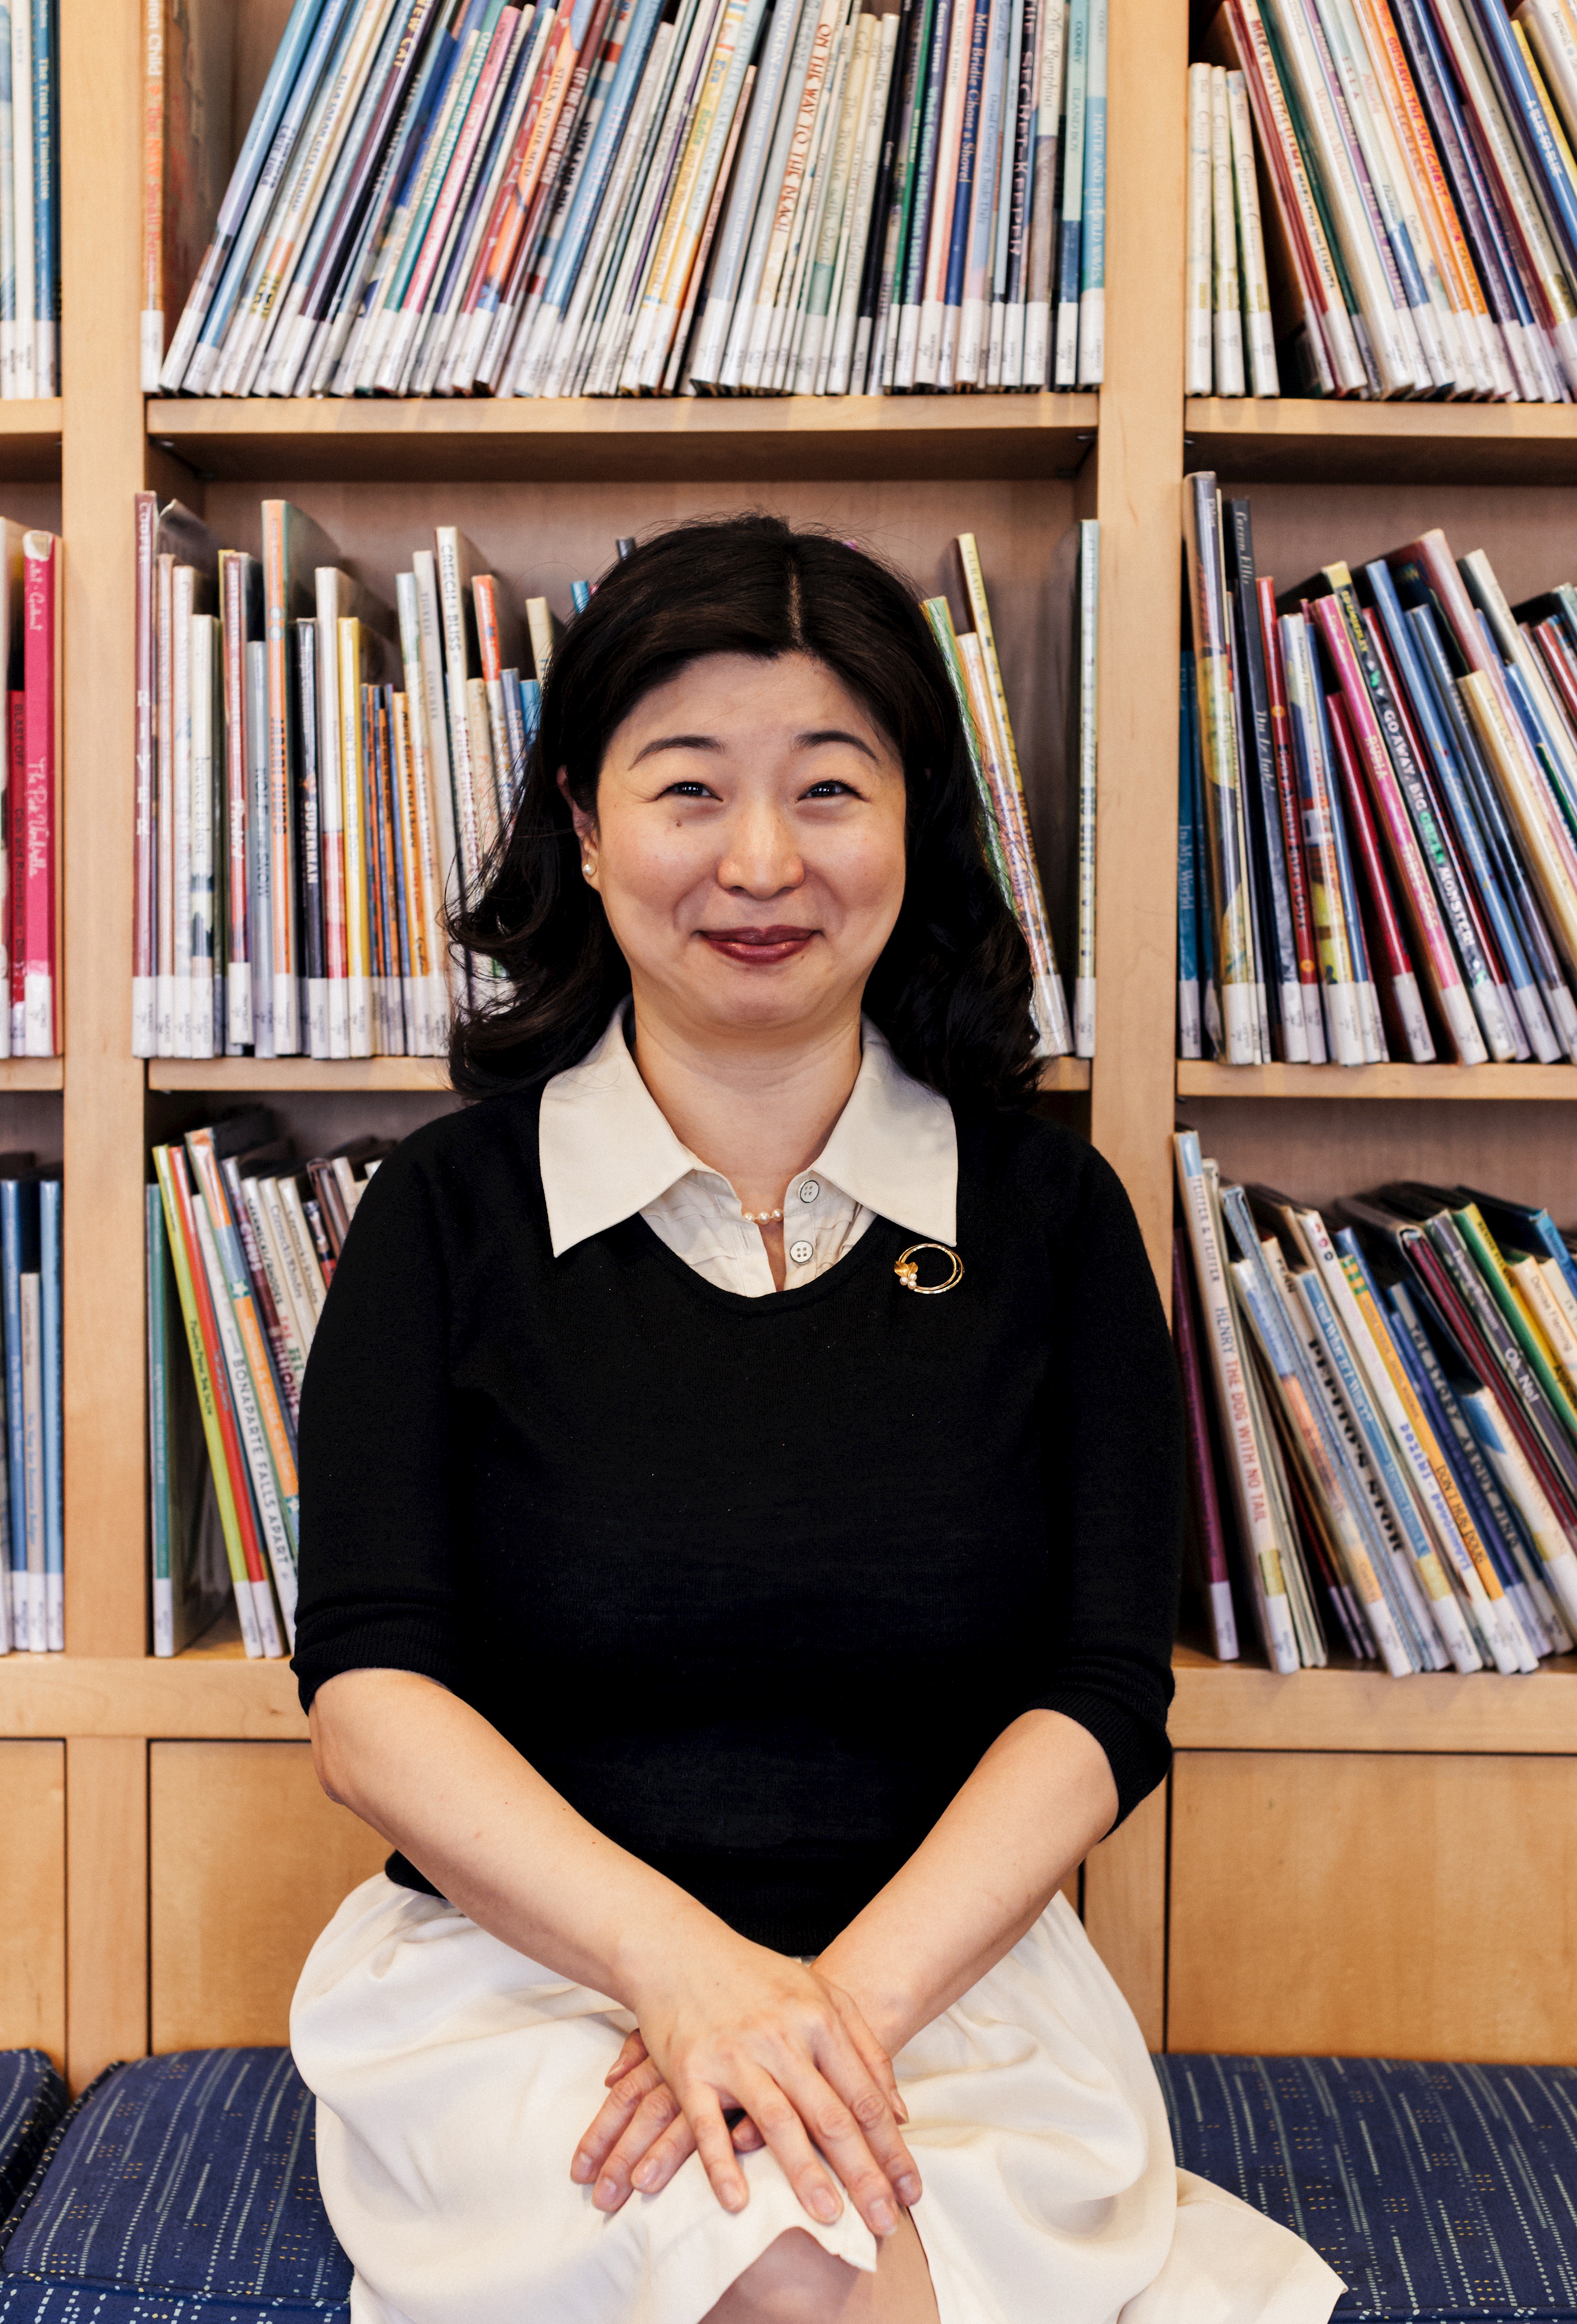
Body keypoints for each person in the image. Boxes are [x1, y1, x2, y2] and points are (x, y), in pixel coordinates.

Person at [288, 515, 1343, 2324]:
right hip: (527, 1988)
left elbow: (1102, 1699)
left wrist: (818, 2013)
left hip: (949, 1984)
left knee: (825, 2232)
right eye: (687, 789)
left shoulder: (1055, 1221)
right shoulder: (447, 1217)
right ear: (583, 823)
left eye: (830, 789)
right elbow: (373, 1697)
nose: (760, 861)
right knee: (797, 2253)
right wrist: (689, 1975)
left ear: (917, 821)